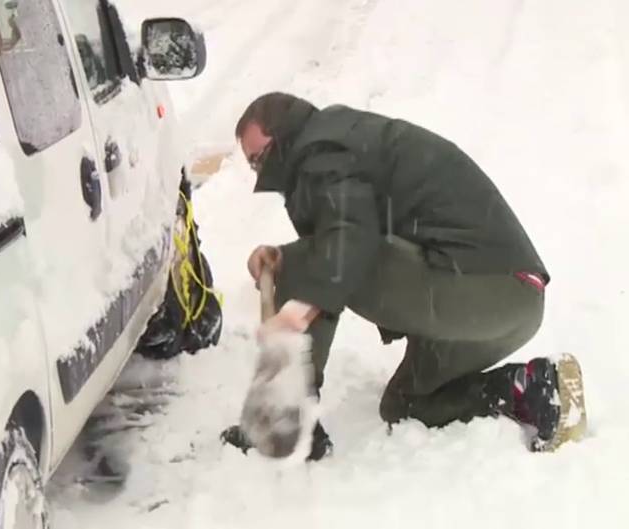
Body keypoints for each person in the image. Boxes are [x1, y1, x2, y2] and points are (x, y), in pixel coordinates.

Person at [222, 92, 586, 461]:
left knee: (309, 262)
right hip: (512, 302)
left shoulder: (322, 152)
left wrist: (295, 295)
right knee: (408, 404)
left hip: (483, 286)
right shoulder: (338, 142)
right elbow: (342, 235)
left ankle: (287, 419)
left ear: (284, 134)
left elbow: (345, 243)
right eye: (252, 165)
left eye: (261, 158)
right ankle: (533, 388)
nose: (261, 173)